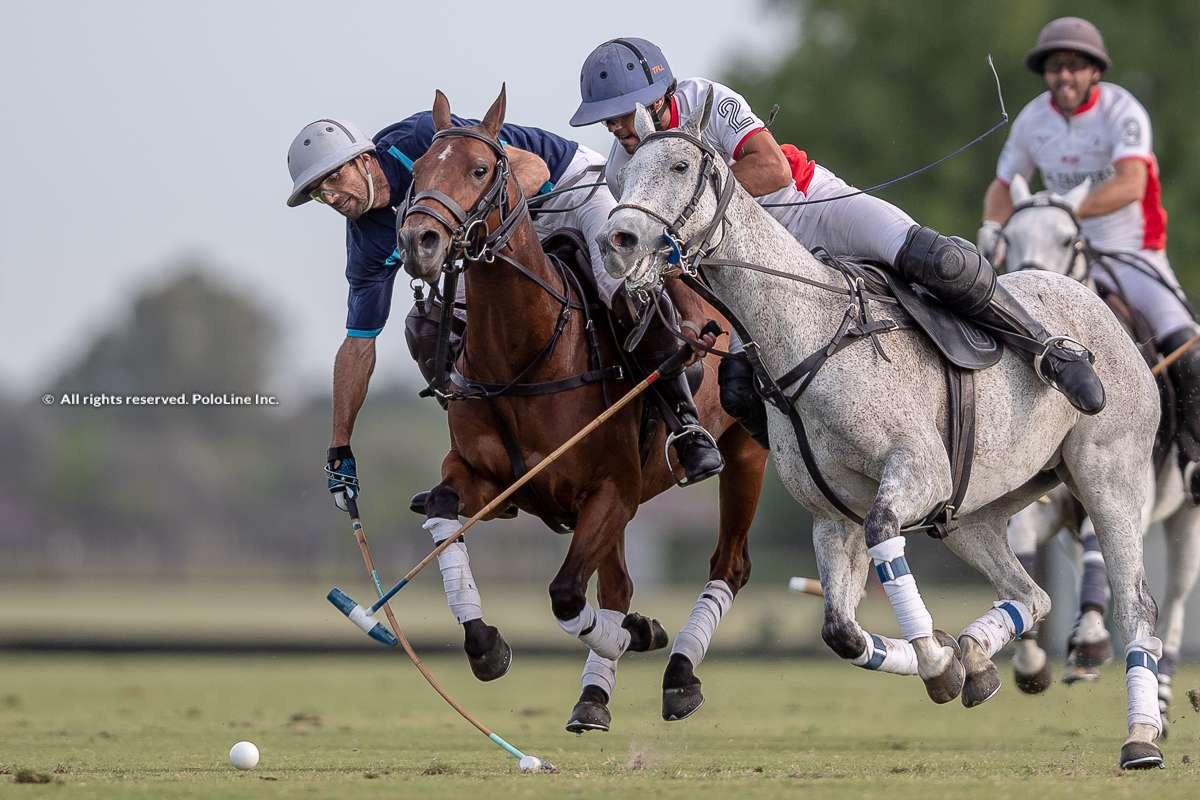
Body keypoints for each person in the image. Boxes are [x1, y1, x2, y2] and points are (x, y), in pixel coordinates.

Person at [571, 37, 1106, 437]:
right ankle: (825, 474)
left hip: (809, 209)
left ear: (657, 94)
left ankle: (1048, 350)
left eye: (619, 115)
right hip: (750, 275)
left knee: (943, 261)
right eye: (606, 121)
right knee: (738, 392)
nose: (615, 129)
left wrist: (698, 204)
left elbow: (773, 167)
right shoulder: (626, 167)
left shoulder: (707, 101)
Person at [979, 16, 1200, 499]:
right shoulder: (1034, 120)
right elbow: (1002, 186)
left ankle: (1194, 458)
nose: (1064, 77)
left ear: (1094, 71)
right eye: (1056, 67)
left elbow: (1131, 183)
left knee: (1185, 341)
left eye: (1075, 67)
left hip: (1130, 250)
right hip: (1058, 252)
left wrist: (1064, 207)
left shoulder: (1123, 111)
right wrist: (993, 228)